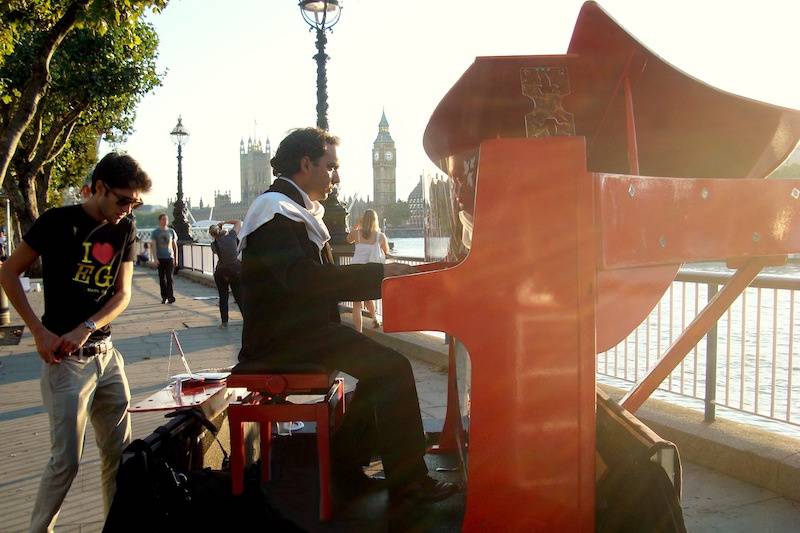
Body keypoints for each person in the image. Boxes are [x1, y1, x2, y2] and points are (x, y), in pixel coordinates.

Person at [237, 127, 459, 504]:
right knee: (394, 368)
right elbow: (302, 279)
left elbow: (308, 281)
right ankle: (408, 483)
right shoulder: (274, 212)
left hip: (300, 330)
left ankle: (346, 467)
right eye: (332, 166)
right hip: (284, 340)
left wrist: (383, 277)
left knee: (383, 371)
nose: (337, 177)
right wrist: (380, 275)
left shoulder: (289, 209)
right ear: (306, 164)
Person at [0, 152, 150, 533]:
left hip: (106, 355)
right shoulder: (56, 222)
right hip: (65, 362)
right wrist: (37, 330)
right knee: (65, 461)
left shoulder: (125, 228)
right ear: (99, 188)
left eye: (136, 203)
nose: (128, 209)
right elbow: (9, 272)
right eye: (123, 200)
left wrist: (88, 325)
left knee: (118, 455)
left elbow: (122, 294)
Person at [346, 209, 389, 333]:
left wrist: (356, 226)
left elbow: (348, 239)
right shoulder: (380, 236)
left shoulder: (356, 233)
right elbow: (386, 251)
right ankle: (375, 318)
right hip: (370, 271)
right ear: (376, 220)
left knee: (357, 303)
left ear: (363, 220)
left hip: (355, 270)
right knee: (368, 296)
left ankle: (359, 332)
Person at [208, 220, 242, 328]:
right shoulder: (232, 236)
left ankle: (224, 322)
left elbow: (216, 249)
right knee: (239, 296)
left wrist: (218, 233)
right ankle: (247, 318)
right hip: (235, 271)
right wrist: (224, 222)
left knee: (223, 297)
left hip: (221, 272)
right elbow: (238, 222)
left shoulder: (214, 244)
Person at [150, 214, 177, 304]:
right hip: (160, 258)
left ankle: (170, 296)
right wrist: (155, 259)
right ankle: (164, 297)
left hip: (169, 257)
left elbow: (174, 246)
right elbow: (153, 246)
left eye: (166, 219)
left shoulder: (171, 231)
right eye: (163, 219)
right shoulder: (155, 232)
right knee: (162, 279)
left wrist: (176, 259)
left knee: (170, 278)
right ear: (159, 221)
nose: (165, 221)